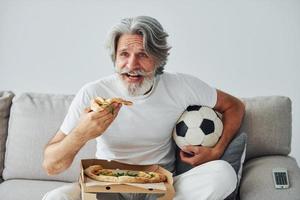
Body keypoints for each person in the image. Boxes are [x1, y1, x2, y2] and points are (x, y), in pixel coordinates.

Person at [42, 16, 245, 200]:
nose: (132, 64)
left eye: (143, 55)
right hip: (106, 187)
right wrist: (81, 133)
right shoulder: (93, 93)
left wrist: (217, 150)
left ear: (158, 59)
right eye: (124, 54)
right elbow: (51, 165)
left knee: (223, 174)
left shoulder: (181, 86)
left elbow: (234, 106)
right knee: (54, 198)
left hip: (161, 187)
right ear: (115, 57)